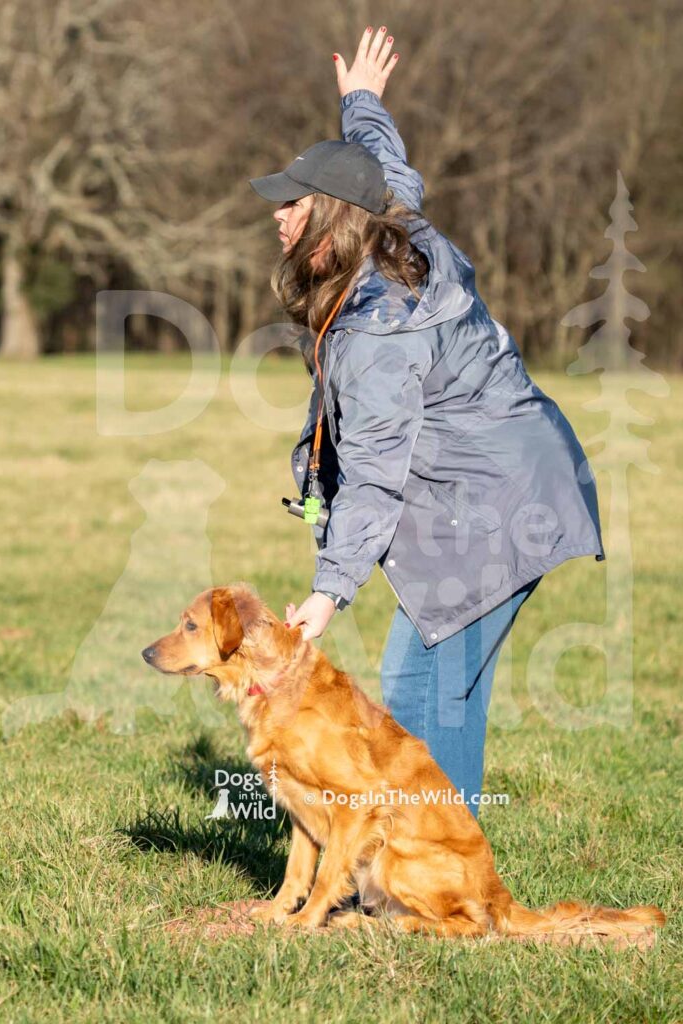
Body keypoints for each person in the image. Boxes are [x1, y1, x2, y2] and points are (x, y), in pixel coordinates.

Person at [248, 26, 605, 816]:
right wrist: (362, 101)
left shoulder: (379, 328)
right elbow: (386, 163)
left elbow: (375, 474)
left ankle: (428, 886)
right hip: (503, 484)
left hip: (496, 507)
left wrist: (329, 590)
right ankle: (440, 871)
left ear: (329, 217)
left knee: (420, 683)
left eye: (292, 202)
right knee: (446, 687)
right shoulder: (390, 219)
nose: (276, 216)